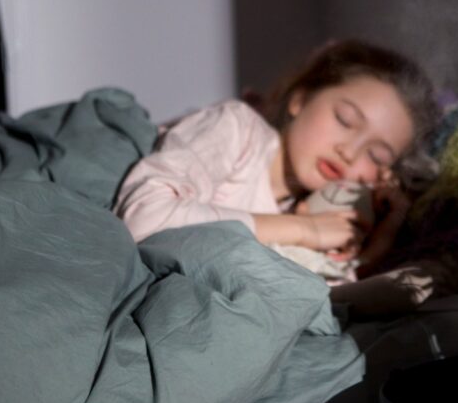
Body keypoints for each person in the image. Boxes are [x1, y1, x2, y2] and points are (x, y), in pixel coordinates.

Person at [113, 39, 438, 271]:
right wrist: (302, 229)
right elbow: (144, 219)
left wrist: (385, 233)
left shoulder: (312, 212)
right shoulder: (237, 129)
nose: (350, 153)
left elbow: (327, 307)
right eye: (345, 120)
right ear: (300, 99)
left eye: (377, 156)